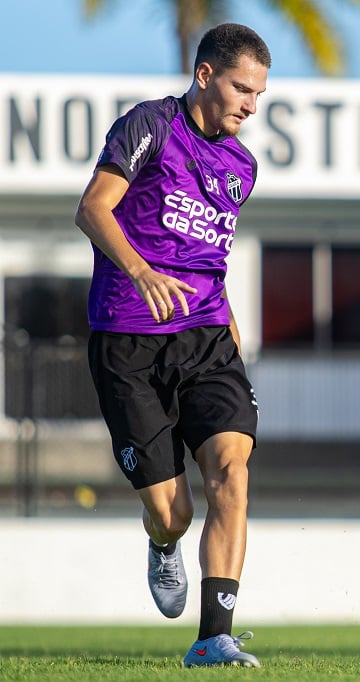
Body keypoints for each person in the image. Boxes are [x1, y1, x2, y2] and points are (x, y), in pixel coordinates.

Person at [74, 23, 270, 668]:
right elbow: (94, 208)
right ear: (206, 75)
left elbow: (212, 263)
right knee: (174, 511)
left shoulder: (242, 166)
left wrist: (234, 343)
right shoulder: (149, 126)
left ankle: (214, 636)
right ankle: (163, 543)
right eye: (241, 87)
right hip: (128, 340)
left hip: (208, 340)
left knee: (231, 473)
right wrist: (141, 271)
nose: (249, 103)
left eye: (259, 94)